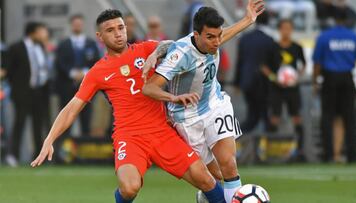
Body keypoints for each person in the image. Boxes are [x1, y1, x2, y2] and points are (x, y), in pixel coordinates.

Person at [31, 9, 227, 203]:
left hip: (162, 131)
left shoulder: (145, 49)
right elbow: (73, 107)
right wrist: (50, 139)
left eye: (121, 27)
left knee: (206, 180)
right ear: (100, 36)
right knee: (129, 187)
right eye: (110, 30)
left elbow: (176, 46)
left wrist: (155, 54)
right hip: (130, 136)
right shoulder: (97, 72)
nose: (118, 33)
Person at [142, 1, 265, 202]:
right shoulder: (181, 54)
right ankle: (206, 197)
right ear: (196, 35)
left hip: (215, 105)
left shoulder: (212, 39)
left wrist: (248, 19)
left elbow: (226, 33)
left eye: (218, 36)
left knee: (229, 164)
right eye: (210, 37)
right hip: (187, 117)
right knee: (214, 176)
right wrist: (174, 98)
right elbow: (149, 88)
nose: (216, 42)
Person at [312, 7, 356, 163]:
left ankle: (328, 155)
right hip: (347, 78)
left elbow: (317, 63)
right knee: (350, 118)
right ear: (347, 20)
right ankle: (352, 155)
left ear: (333, 19)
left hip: (330, 79)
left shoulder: (325, 37)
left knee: (327, 117)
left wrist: (315, 82)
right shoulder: (353, 37)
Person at [5, 22, 50, 166]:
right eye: (42, 32)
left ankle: (38, 156)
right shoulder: (16, 47)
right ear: (32, 33)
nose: (44, 35)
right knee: (20, 123)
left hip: (39, 93)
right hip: (22, 93)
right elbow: (8, 70)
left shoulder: (41, 47)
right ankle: (13, 155)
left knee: (39, 125)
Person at [234, 11, 281, 134]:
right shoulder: (270, 40)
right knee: (261, 116)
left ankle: (239, 138)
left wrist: (237, 83)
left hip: (247, 81)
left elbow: (240, 62)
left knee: (253, 115)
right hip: (264, 83)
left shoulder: (245, 39)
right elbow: (275, 64)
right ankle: (238, 139)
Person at [55, 14, 100, 136]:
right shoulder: (63, 44)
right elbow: (59, 63)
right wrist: (72, 73)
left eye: (79, 24)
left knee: (86, 120)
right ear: (71, 25)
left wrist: (84, 73)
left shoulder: (91, 43)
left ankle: (85, 151)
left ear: (83, 25)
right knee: (66, 121)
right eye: (75, 24)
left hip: (87, 88)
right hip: (67, 87)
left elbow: (97, 62)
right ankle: (64, 152)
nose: (77, 26)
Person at [269, 19, 306, 161]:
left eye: (289, 28)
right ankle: (269, 153)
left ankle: (300, 152)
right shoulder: (273, 47)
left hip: (292, 88)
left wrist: (297, 77)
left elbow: (303, 65)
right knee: (274, 118)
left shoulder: (297, 47)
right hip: (276, 88)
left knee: (296, 117)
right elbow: (264, 67)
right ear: (280, 30)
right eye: (284, 28)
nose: (286, 31)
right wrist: (275, 78)